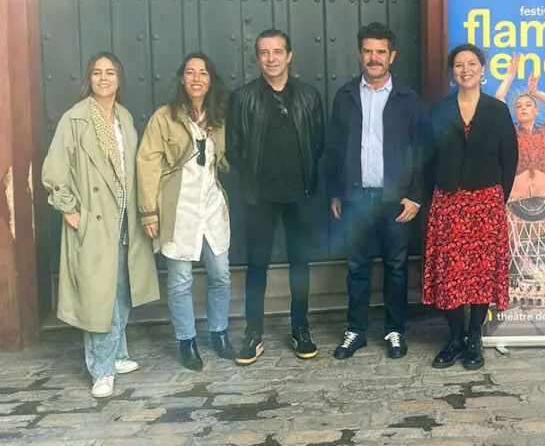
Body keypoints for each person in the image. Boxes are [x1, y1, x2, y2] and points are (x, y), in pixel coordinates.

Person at [41, 51, 160, 398]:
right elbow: (54, 169)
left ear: (119, 79)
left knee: (122, 288)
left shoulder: (123, 117)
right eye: (97, 73)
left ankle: (118, 353)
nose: (103, 78)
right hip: (93, 219)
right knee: (97, 296)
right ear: (89, 79)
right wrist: (68, 208)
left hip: (123, 218)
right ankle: (101, 369)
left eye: (110, 73)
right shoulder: (74, 119)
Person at [226, 29, 325, 364]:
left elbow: (319, 143)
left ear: (289, 55)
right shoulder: (243, 98)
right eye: (264, 52)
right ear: (257, 58)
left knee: (300, 263)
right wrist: (254, 177)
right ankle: (253, 333)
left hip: (299, 193)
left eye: (278, 51)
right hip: (261, 197)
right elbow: (235, 148)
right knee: (257, 265)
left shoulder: (310, 96)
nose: (271, 58)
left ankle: (300, 329)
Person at [327, 22, 423, 360]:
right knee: (357, 267)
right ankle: (356, 330)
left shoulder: (408, 99)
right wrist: (336, 191)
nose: (374, 57)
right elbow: (335, 147)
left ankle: (395, 330)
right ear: (359, 54)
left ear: (392, 56)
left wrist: (415, 195)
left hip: (395, 200)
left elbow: (421, 148)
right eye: (368, 51)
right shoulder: (345, 95)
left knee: (396, 267)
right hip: (355, 196)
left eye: (380, 51)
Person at [422, 43, 518, 371]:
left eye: (472, 63)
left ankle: (474, 338)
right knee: (451, 273)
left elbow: (510, 159)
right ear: (453, 72)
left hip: (485, 203)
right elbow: (428, 156)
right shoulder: (439, 110)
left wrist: (494, 199)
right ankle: (454, 338)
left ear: (482, 70)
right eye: (459, 64)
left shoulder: (497, 110)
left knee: (480, 273)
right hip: (448, 202)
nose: (466, 69)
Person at [137, 52, 234, 371]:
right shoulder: (165, 117)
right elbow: (147, 163)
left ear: (210, 79)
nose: (196, 78)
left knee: (220, 272)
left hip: (210, 204)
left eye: (202, 73)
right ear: (182, 78)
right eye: (190, 72)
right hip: (178, 207)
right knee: (179, 279)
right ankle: (187, 341)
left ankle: (219, 333)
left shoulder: (218, 116)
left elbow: (226, 156)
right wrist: (149, 212)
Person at [495, 52, 545, 200]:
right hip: (515, 199)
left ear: (536, 110)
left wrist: (535, 92)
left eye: (528, 105)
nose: (523, 108)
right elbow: (499, 98)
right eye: (519, 106)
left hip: (544, 199)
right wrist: (511, 74)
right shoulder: (511, 131)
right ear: (515, 112)